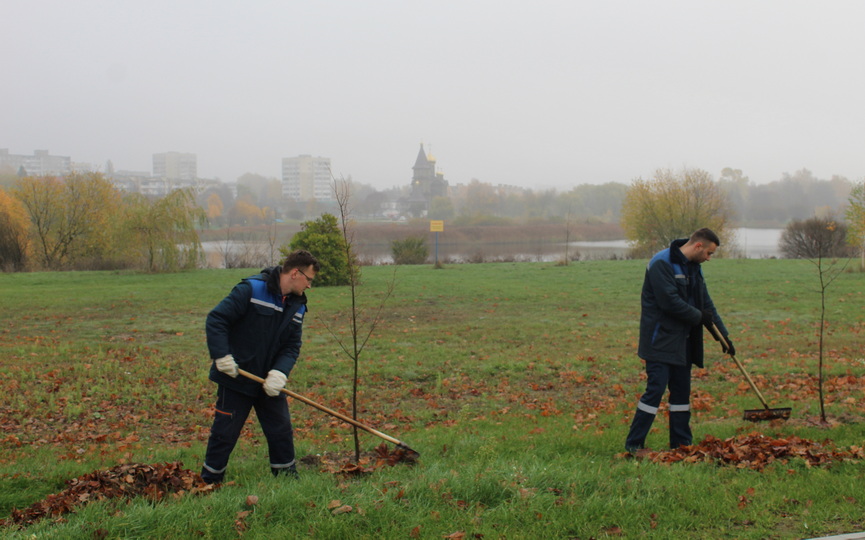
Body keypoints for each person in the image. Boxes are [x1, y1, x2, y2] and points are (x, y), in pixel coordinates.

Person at [201, 249, 320, 483]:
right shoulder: (251, 290)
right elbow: (217, 320)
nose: (309, 286)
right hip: (235, 378)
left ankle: (286, 479)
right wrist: (221, 356)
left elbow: (291, 346)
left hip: (268, 383)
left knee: (281, 430)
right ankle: (209, 481)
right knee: (225, 433)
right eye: (309, 279)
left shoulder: (298, 306)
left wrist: (279, 372)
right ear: (295, 273)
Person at [624, 228, 734, 452]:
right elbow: (670, 303)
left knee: (681, 394)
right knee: (655, 391)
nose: (708, 259)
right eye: (709, 253)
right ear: (698, 246)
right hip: (659, 340)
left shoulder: (694, 267)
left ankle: (682, 445)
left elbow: (706, 304)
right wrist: (698, 316)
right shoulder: (661, 263)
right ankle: (634, 445)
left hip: (683, 341)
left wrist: (723, 336)